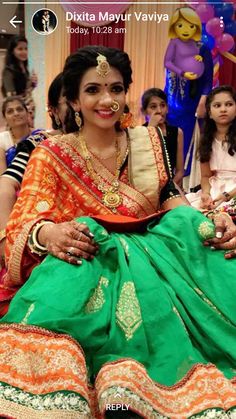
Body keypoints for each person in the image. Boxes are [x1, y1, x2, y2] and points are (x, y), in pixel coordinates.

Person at [0, 46, 235, 418]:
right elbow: (23, 219)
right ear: (74, 99)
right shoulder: (52, 153)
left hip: (159, 250)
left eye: (116, 88)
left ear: (126, 93)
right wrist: (50, 234)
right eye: (93, 90)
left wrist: (208, 223)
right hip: (92, 258)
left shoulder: (148, 141)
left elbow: (167, 196)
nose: (107, 100)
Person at [0, 72, 71, 304]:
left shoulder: (117, 142)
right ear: (53, 110)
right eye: (68, 98)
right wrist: (4, 240)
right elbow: (6, 184)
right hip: (44, 242)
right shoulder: (40, 143)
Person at [164, 7, 213, 175]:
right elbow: (168, 77)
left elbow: (207, 79)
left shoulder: (202, 48)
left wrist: (202, 102)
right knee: (170, 142)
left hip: (191, 105)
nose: (185, 29)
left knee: (187, 143)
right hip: (171, 106)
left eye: (190, 25)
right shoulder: (173, 46)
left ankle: (185, 179)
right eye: (181, 25)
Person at [188, 85, 236, 211]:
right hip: (215, 188)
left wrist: (227, 195)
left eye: (229, 104)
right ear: (209, 113)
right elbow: (205, 176)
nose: (223, 109)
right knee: (187, 211)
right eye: (217, 105)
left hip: (233, 191)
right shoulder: (206, 140)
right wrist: (206, 194)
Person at [141, 87, 184, 186]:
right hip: (146, 186)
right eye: (153, 107)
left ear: (167, 108)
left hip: (171, 185)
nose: (159, 110)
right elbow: (141, 165)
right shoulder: (139, 132)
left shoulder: (177, 132)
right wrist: (150, 128)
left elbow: (180, 171)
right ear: (144, 111)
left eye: (162, 105)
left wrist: (169, 187)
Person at [1, 35, 37, 112]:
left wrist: (33, 83)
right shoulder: (8, 71)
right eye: (20, 49)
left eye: (26, 48)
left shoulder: (24, 68)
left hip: (28, 109)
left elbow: (27, 91)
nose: (24, 52)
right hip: (19, 111)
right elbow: (11, 99)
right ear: (12, 51)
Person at [0, 96, 32, 174]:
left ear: (27, 113)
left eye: (19, 109)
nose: (16, 113)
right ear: (5, 118)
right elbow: (2, 176)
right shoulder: (2, 139)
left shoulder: (39, 136)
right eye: (10, 111)